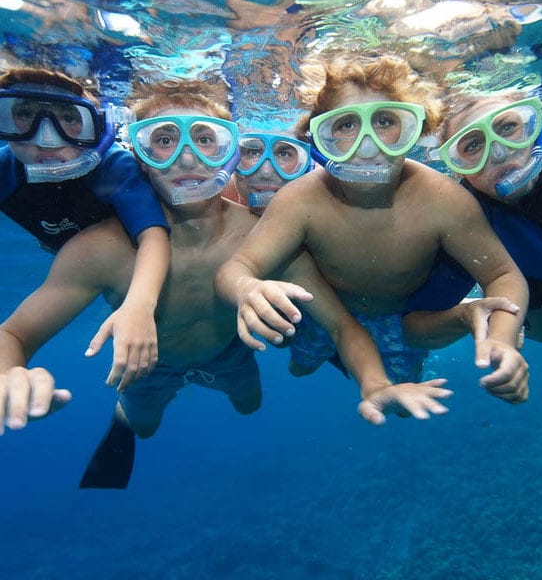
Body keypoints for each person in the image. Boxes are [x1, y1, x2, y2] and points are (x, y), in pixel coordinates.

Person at [0, 78, 453, 489]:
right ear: (136, 154)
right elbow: (14, 334)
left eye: (204, 139)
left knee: (249, 405)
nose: (189, 158)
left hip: (229, 354)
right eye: (163, 140)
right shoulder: (101, 249)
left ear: (231, 150)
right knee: (144, 424)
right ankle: (123, 419)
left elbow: (340, 327)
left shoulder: (264, 236)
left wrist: (374, 385)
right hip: (150, 364)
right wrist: (7, 373)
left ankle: (204, 384)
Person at [215, 53, 530, 405]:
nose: (368, 144)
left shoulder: (444, 200)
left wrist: (502, 339)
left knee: (401, 405)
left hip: (395, 320)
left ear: (414, 128)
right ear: (321, 136)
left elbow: (502, 274)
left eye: (384, 121)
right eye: (347, 125)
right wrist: (245, 288)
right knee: (301, 365)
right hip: (323, 313)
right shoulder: (300, 200)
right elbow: (237, 268)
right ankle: (309, 362)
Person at [0, 67, 171, 389]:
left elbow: (153, 234)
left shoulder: (114, 166)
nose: (47, 138)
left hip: (114, 260)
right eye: (25, 114)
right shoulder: (3, 170)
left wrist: (139, 304)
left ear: (96, 126)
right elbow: (11, 334)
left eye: (69, 118)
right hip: (79, 261)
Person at [402, 90, 542, 346]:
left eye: (507, 127)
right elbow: (414, 329)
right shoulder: (463, 220)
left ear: (534, 126)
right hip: (538, 289)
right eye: (473, 145)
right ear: (456, 166)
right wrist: (466, 315)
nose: (499, 153)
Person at [224, 131, 311, 215]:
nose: (266, 172)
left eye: (284, 154)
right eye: (253, 152)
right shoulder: (219, 199)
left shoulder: (318, 205)